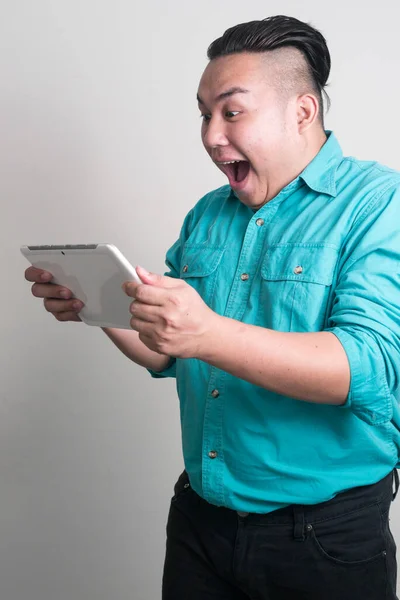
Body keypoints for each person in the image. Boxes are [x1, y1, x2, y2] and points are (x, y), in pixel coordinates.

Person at [25, 14, 400, 600]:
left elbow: (369, 366)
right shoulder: (208, 213)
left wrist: (206, 334)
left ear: (302, 111)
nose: (209, 135)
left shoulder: (379, 203)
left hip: (324, 538)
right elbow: (167, 353)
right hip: (201, 522)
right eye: (204, 114)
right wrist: (94, 306)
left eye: (231, 111)